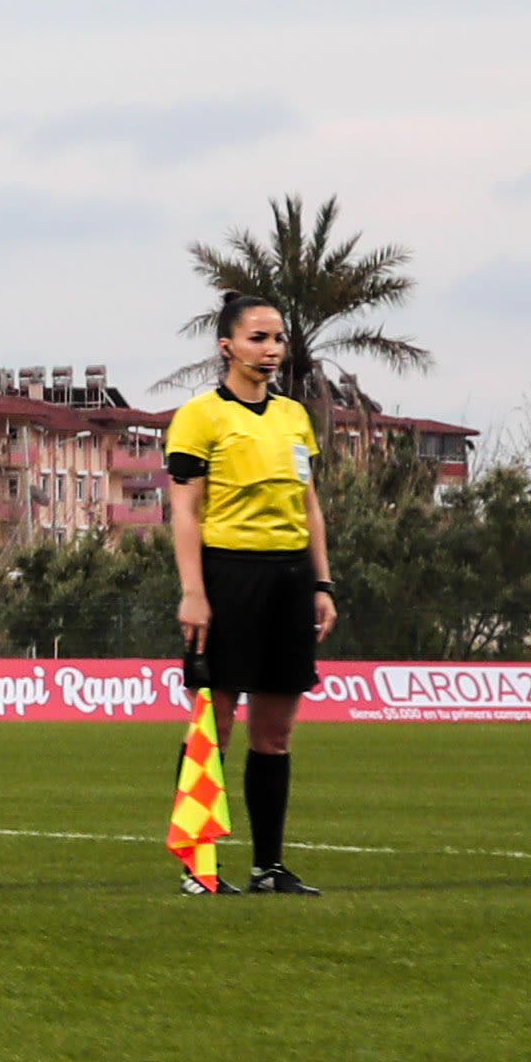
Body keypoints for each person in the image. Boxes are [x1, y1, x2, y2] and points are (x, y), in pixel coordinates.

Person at [166, 296, 333, 896]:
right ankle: (198, 868)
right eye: (259, 338)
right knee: (215, 725)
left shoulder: (293, 417)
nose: (272, 349)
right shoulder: (200, 416)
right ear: (227, 347)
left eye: (278, 338)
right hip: (228, 577)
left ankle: (268, 868)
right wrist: (194, 592)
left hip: (289, 580)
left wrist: (321, 582)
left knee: (276, 732)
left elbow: (309, 505)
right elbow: (183, 510)